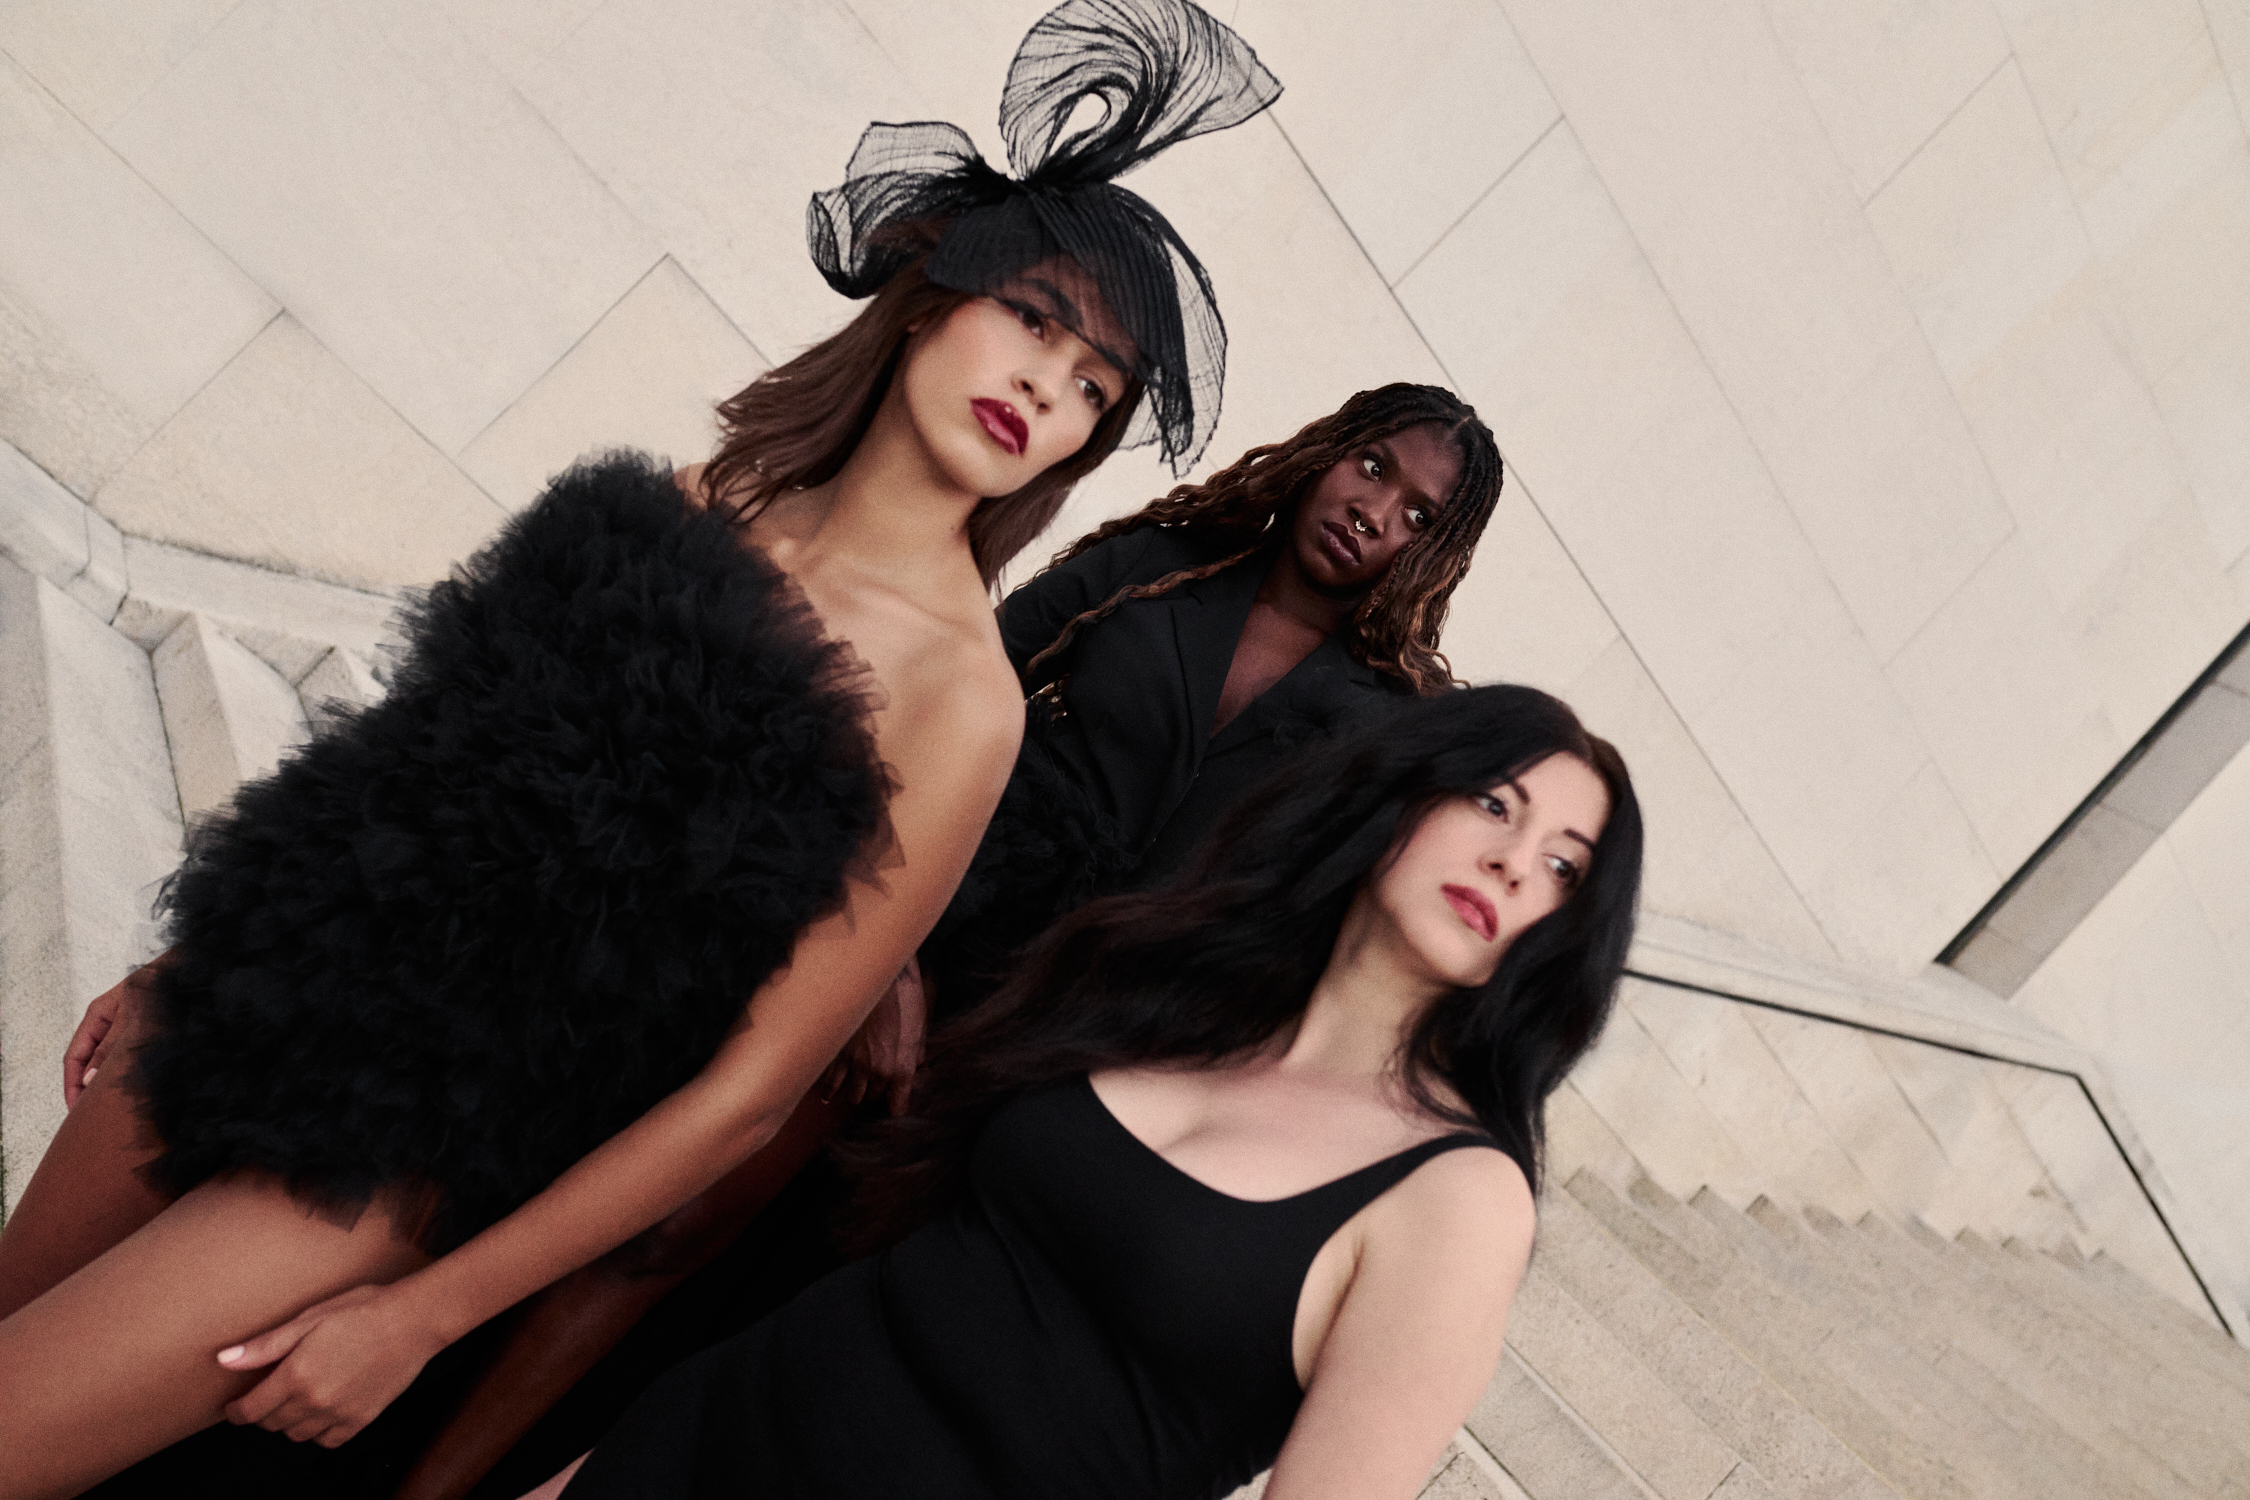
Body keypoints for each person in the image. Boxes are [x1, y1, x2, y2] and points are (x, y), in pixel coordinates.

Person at [0, 2, 1281, 1494]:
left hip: (408, 1153)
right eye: (1037, 321)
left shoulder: (962, 701)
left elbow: (748, 1093)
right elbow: (409, 764)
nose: (1049, 389)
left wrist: (425, 1313)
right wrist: (185, 959)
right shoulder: (688, 502)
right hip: (257, 988)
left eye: (1095, 392)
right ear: (938, 290)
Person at [538, 682, 1645, 1500]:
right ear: (1399, 799)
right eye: (1493, 805)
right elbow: (908, 1275)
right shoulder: (1165, 991)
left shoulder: (1457, 1199)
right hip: (699, 1440)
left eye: (1564, 867)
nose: (1515, 863)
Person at [927, 380, 1505, 1014]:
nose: (1373, 512)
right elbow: (958, 683)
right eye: (1372, 466)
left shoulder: (1393, 730)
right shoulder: (1158, 562)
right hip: (950, 919)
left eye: (1419, 517)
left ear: (1434, 554)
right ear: (1328, 451)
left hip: (1126, 1022)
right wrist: (899, 954)